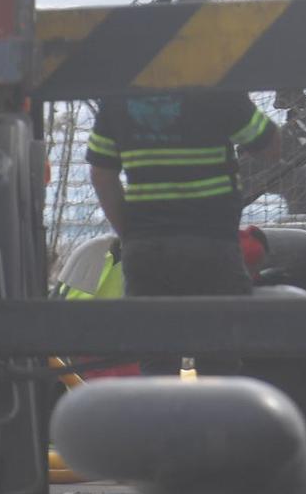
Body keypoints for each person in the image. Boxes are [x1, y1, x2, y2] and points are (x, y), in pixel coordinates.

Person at [86, 90, 279, 375]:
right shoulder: (212, 85)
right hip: (212, 245)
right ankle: (219, 417)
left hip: (146, 250)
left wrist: (131, 234)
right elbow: (270, 148)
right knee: (220, 358)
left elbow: (102, 174)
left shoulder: (120, 94)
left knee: (156, 359)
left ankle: (162, 416)